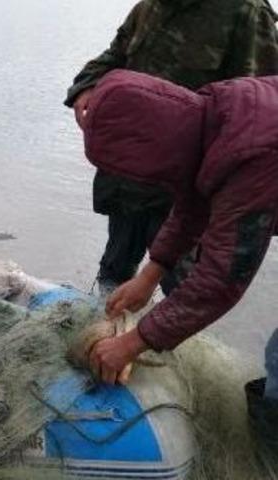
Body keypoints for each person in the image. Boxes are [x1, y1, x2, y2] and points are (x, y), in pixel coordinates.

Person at [79, 68, 278, 452]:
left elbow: (222, 279)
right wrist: (152, 273)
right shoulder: (212, 111)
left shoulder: (254, 151)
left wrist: (134, 342)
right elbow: (193, 200)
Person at [64, 0, 278, 295]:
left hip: (186, 191)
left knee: (183, 285)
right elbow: (115, 55)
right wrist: (87, 87)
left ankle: (159, 339)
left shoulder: (245, 12)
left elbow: (258, 115)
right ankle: (105, 330)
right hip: (129, 177)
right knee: (114, 270)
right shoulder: (150, 6)